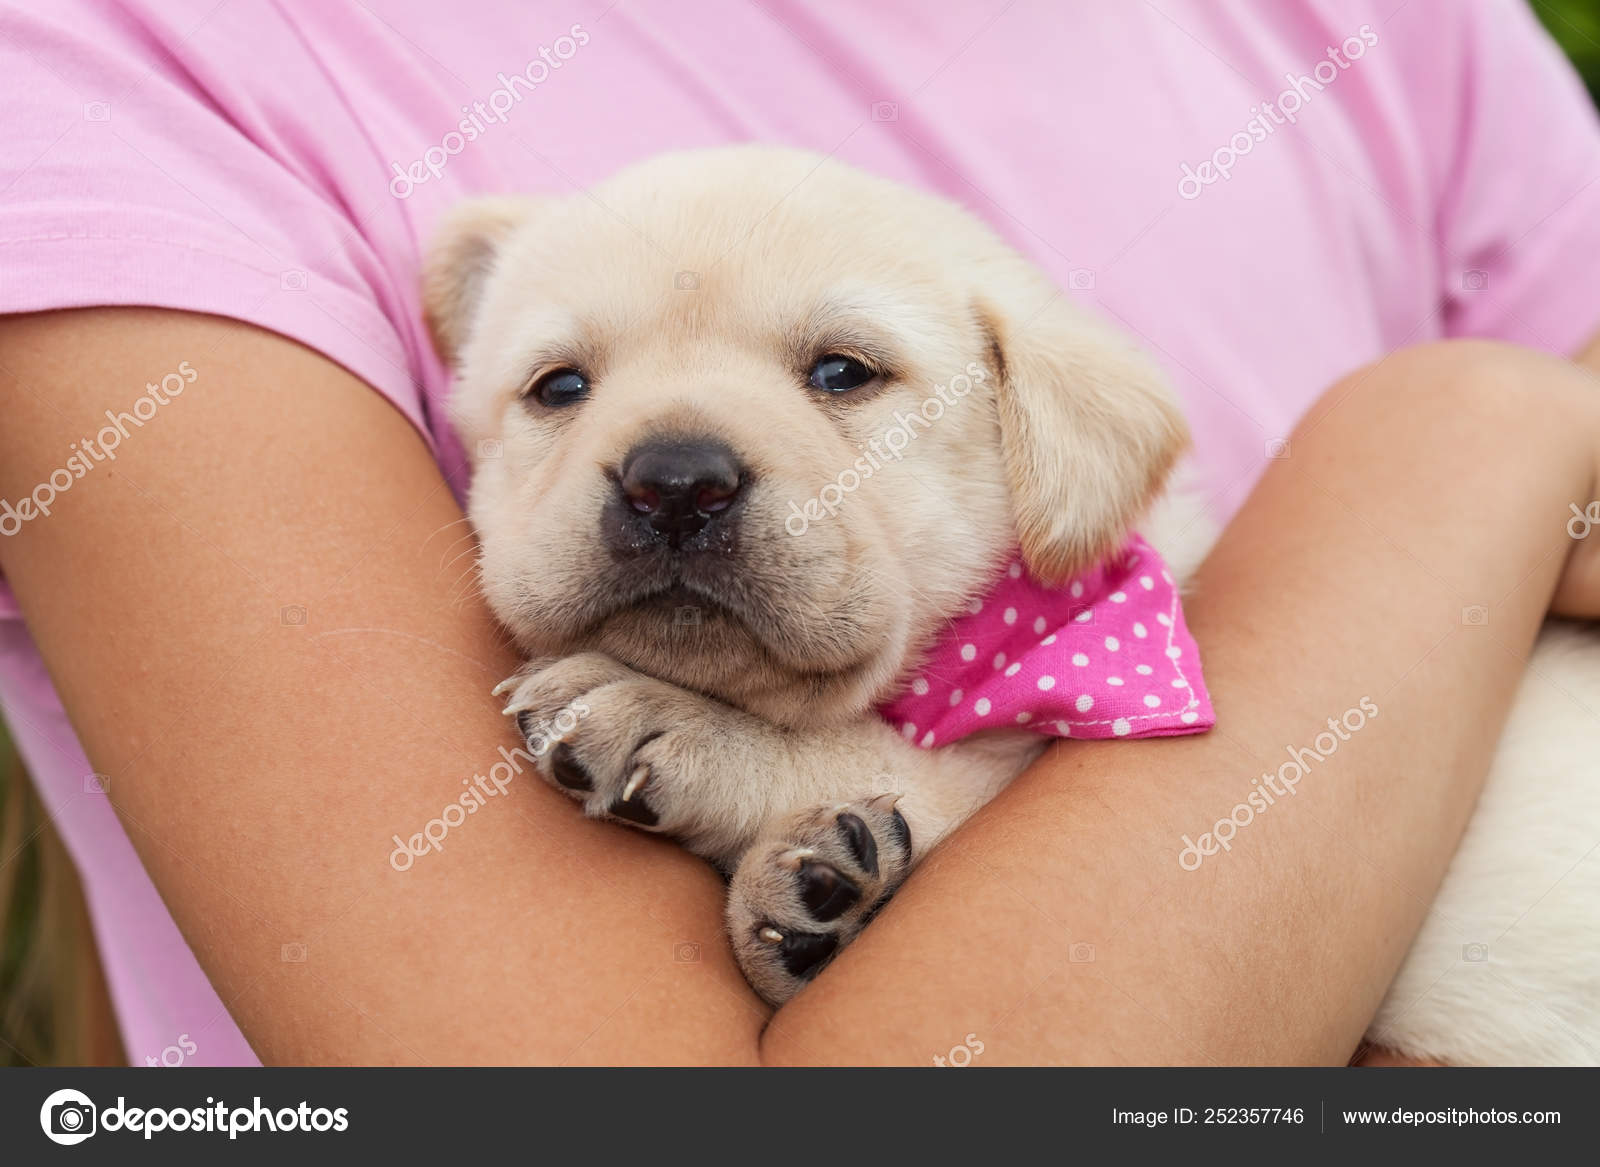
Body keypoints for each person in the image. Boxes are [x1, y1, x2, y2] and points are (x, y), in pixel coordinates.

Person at [0, 0, 1596, 1065]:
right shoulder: (114, 62)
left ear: (1054, 451)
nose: (675, 471)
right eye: (560, 385)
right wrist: (1476, 447)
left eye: (841, 373)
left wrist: (1456, 428)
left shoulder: (1402, 29)